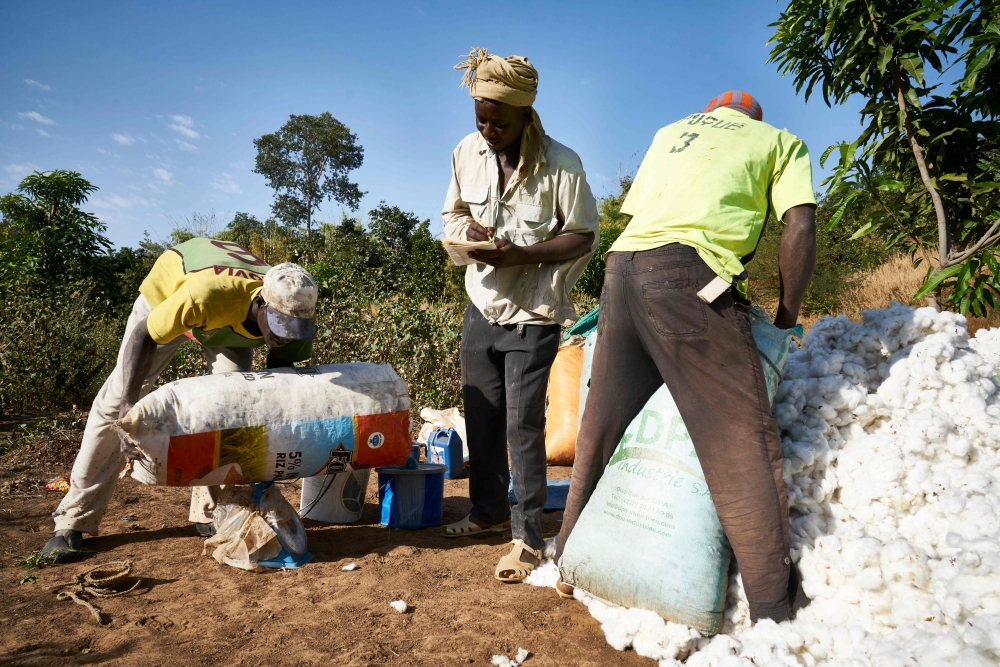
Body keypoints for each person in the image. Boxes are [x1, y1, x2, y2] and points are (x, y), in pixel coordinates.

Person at [555, 91, 817, 623]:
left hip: (621, 270)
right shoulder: (779, 141)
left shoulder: (670, 132)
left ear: (712, 112)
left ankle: (567, 558)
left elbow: (648, 212)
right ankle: (775, 608)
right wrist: (787, 319)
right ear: (751, 118)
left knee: (602, 426)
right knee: (741, 442)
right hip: (690, 276)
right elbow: (799, 225)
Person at [42, 237, 317, 562]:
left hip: (224, 324)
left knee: (228, 406)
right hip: (169, 296)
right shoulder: (209, 296)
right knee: (116, 402)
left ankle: (209, 511)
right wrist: (130, 406)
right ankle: (72, 521)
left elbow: (278, 379)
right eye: (279, 325)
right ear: (261, 304)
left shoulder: (294, 306)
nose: (284, 336)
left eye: (295, 329)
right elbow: (142, 335)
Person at [440, 48, 599, 582]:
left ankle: (527, 537)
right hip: (481, 302)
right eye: (480, 118)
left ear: (525, 114)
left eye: (498, 121)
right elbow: (453, 212)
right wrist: (471, 236)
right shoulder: (466, 151)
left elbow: (583, 235)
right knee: (480, 414)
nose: (488, 130)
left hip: (535, 309)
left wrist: (524, 254)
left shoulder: (562, 163)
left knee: (522, 423)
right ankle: (486, 511)